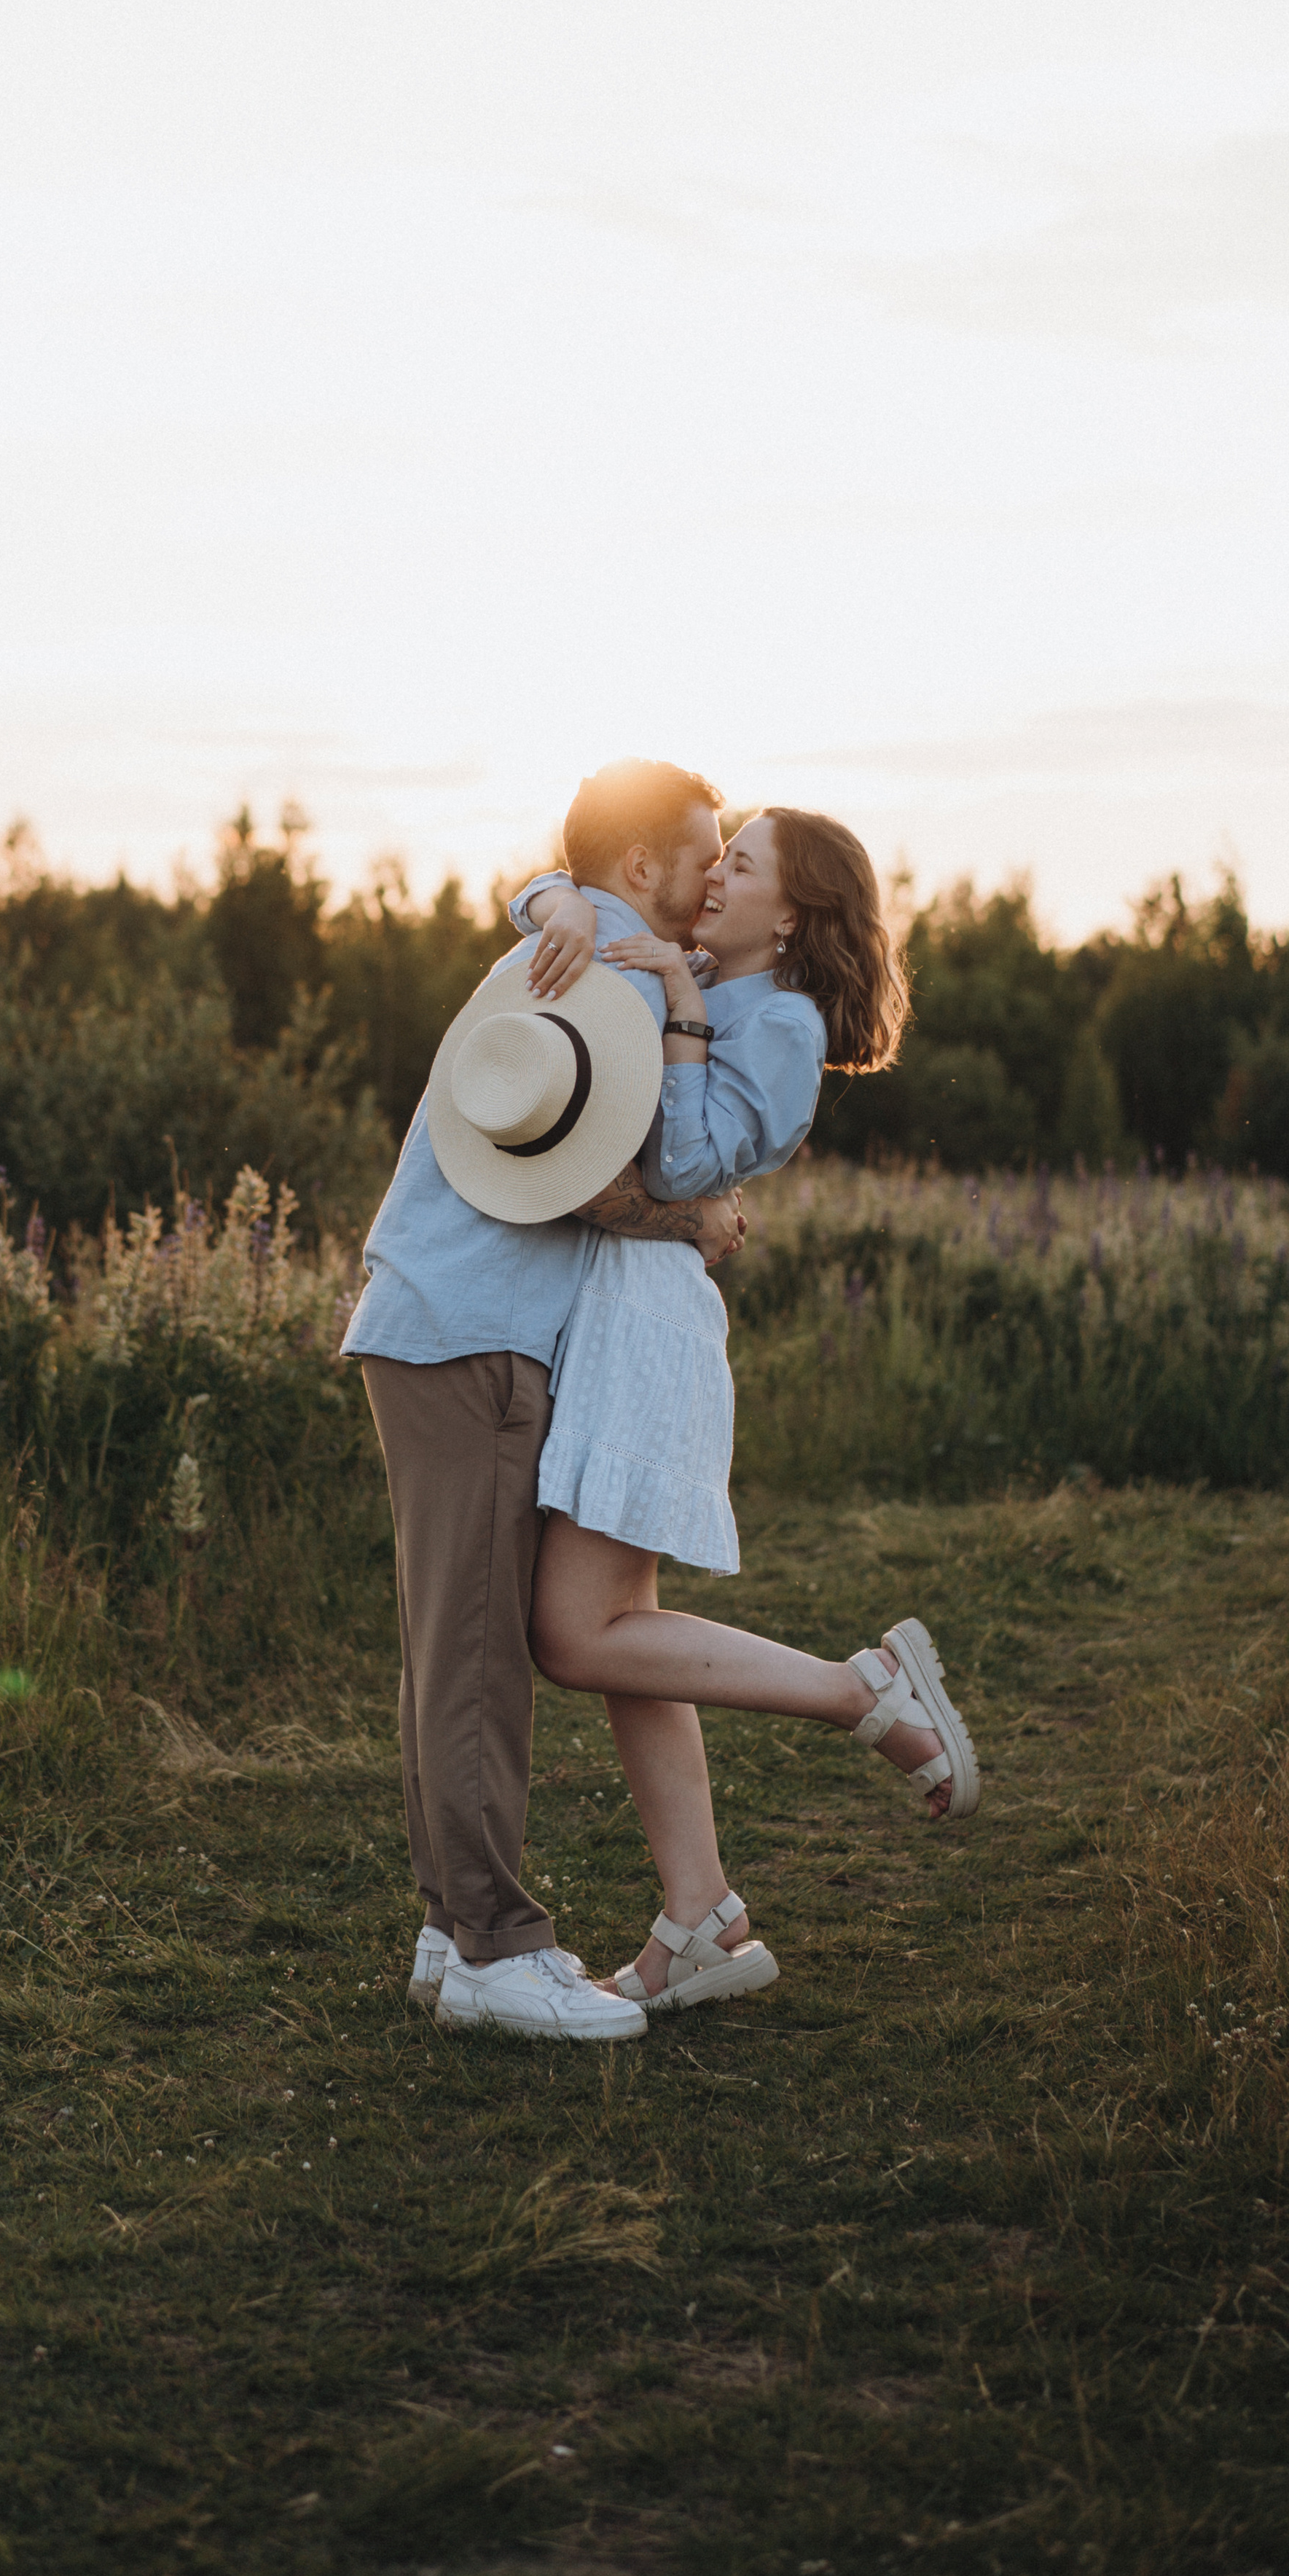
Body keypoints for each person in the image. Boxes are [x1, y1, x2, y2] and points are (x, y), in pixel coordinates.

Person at [510, 806, 981, 2020]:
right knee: (625, 1636)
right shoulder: (712, 971)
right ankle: (700, 1916)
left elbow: (683, 1166)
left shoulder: (778, 1020)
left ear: (797, 912)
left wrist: (674, 1000)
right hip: (612, 1320)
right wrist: (557, 906)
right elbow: (558, 896)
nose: (716, 878)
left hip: (654, 1332)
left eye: (746, 866)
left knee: (575, 1636)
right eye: (720, 858)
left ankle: (859, 1687)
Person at [341, 759, 746, 2041]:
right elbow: (587, 1186)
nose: (716, 873)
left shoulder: (574, 944)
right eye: (704, 852)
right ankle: (495, 1951)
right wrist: (701, 1220)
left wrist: (545, 896)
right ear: (640, 871)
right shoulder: (615, 976)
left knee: (448, 1639)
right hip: (479, 1333)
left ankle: (449, 1928)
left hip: (438, 1320)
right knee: (469, 1653)